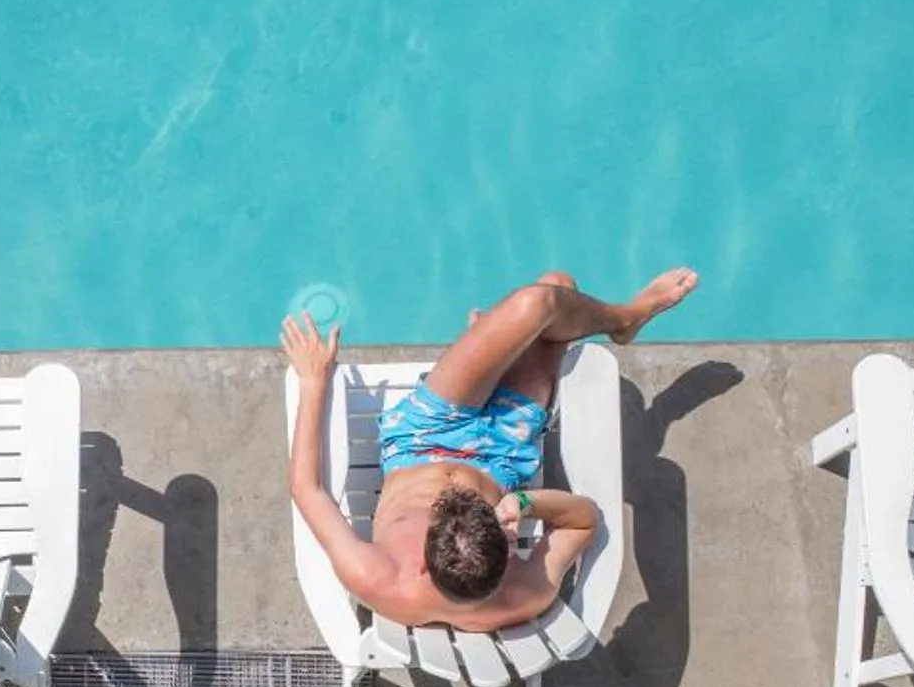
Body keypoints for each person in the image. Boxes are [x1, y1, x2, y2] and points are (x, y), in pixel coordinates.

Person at [282, 268, 696, 632]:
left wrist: (313, 382)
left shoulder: (374, 576)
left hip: (425, 436)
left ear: (423, 563)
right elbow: (584, 521)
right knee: (555, 289)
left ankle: (496, 344)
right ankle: (623, 322)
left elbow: (306, 488)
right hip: (505, 452)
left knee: (542, 305)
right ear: (506, 558)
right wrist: (522, 501)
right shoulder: (524, 595)